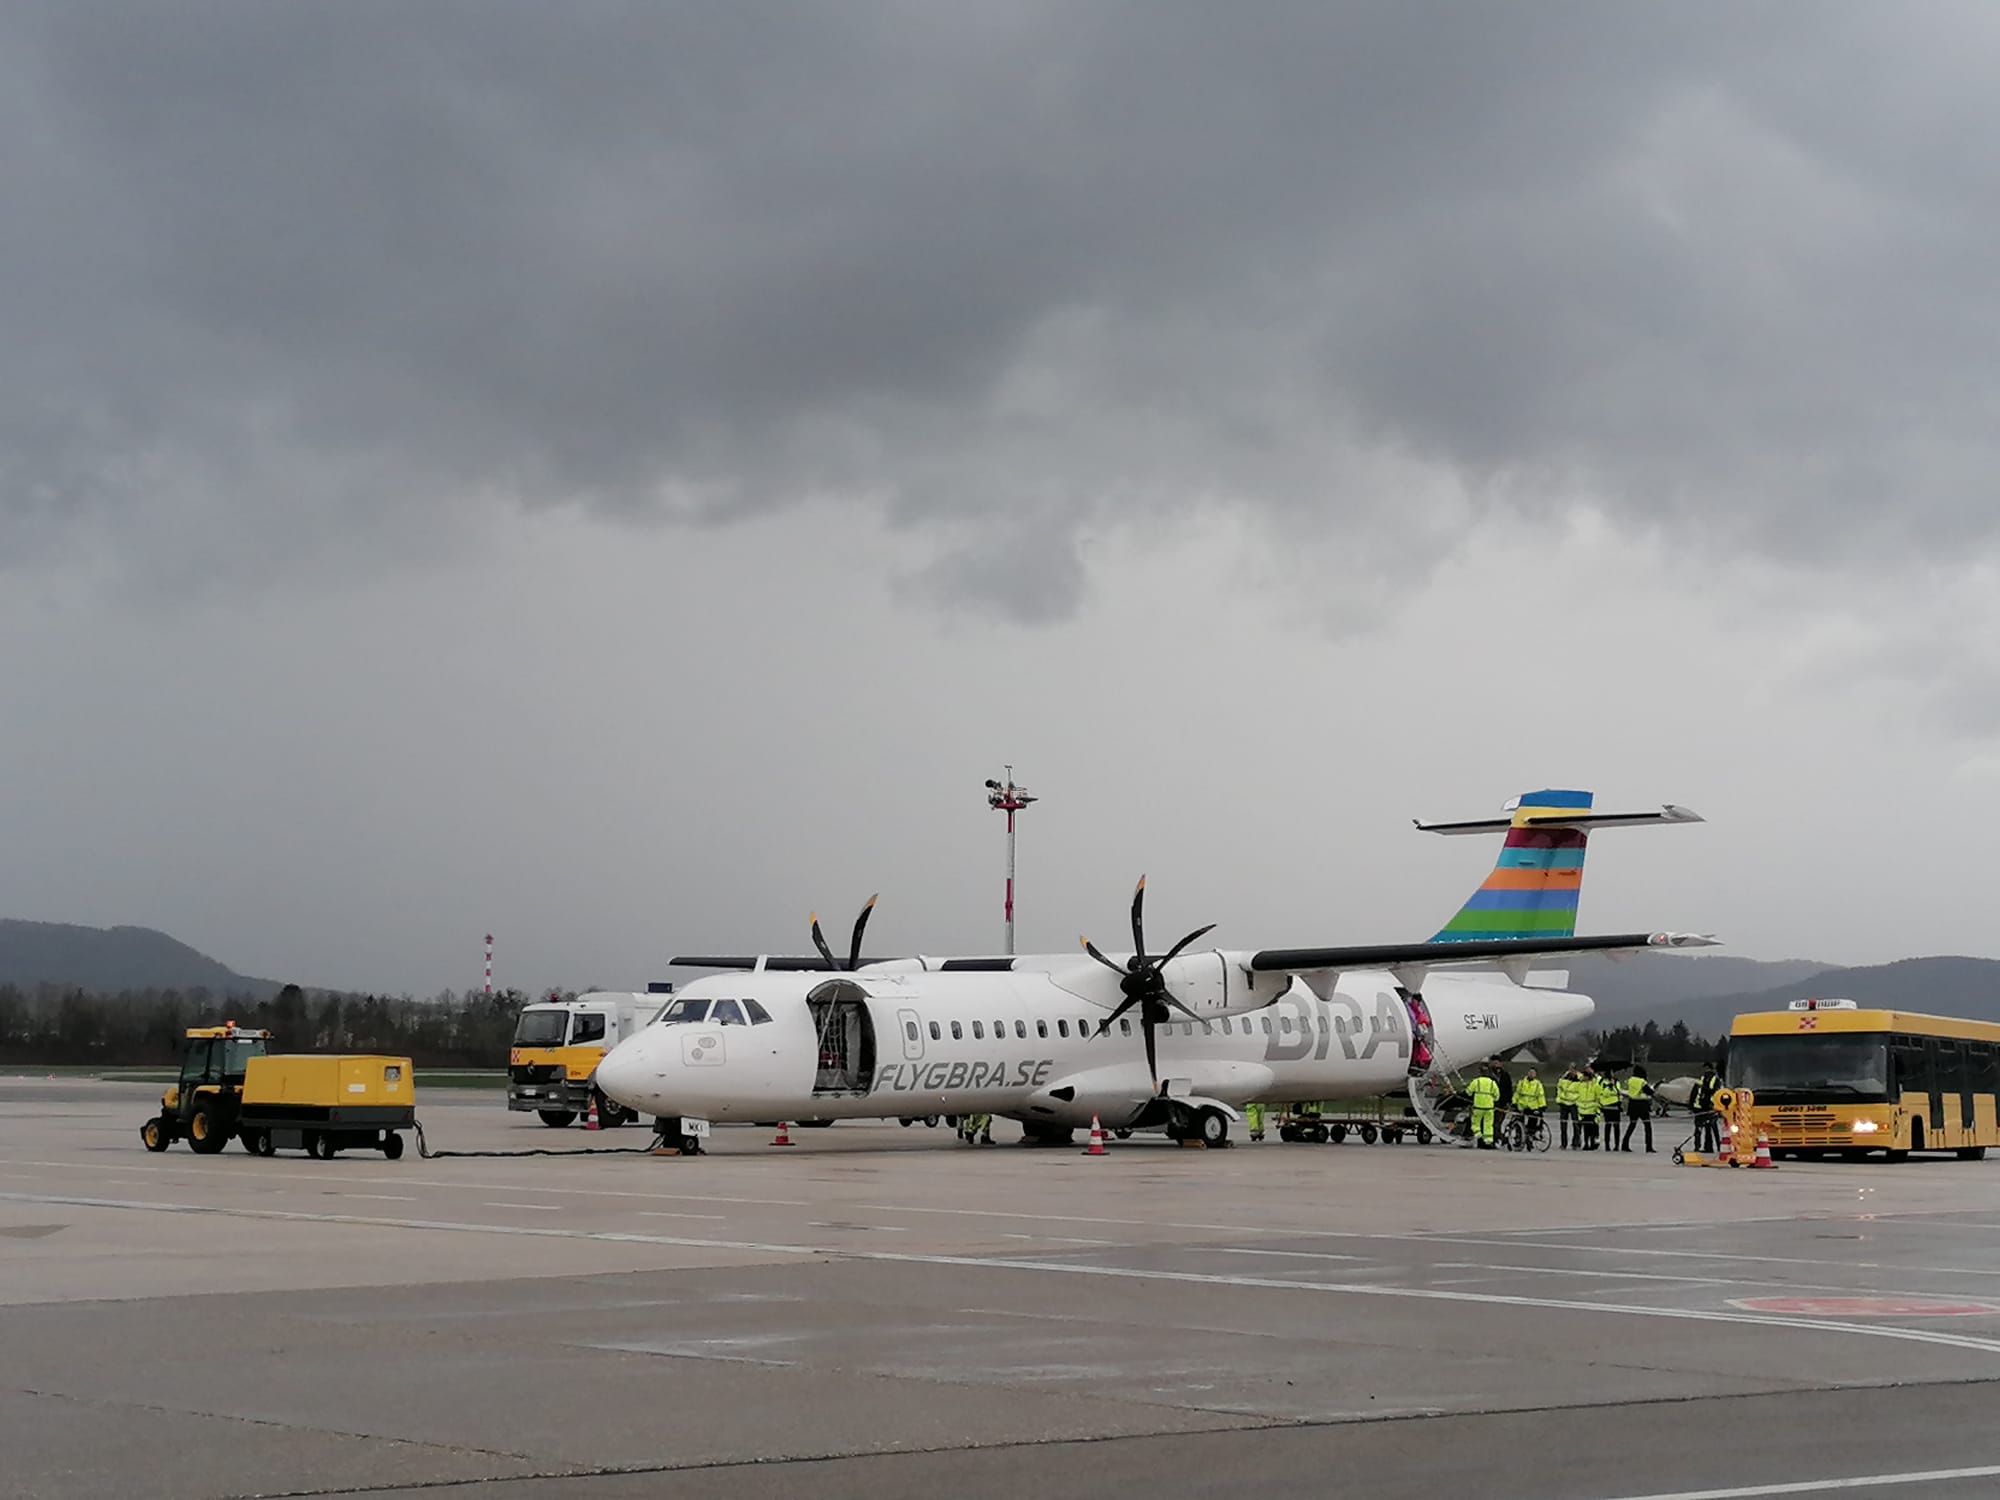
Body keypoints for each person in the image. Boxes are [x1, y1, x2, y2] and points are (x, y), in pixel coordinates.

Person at [1623, 1065, 1657, 1153]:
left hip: (1632, 1105)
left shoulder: (1630, 1080)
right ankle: (1648, 1146)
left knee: (1632, 1125)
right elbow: (1649, 1092)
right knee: (1647, 1126)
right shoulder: (1642, 1081)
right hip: (1642, 1105)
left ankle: (1624, 1144)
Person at [1465, 1069, 1501, 1149]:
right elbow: (1497, 1096)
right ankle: (1488, 1140)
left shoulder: (1476, 1081)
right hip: (1489, 1108)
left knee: (1475, 1122)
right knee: (1488, 1125)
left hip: (1478, 1107)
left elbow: (1468, 1092)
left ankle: (1478, 1134)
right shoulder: (1492, 1083)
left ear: (1481, 1074)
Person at [1692, 1062, 1722, 1155]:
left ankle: (1718, 1146)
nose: (1706, 1071)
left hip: (1710, 1106)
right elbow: (1695, 1092)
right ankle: (1701, 1146)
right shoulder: (1702, 1078)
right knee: (1701, 1128)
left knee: (1712, 1127)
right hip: (1701, 1106)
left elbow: (1714, 1091)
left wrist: (1704, 1088)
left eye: (1707, 1069)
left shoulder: (1715, 1079)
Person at [1513, 1067, 1547, 1148]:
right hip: (1522, 1105)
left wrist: (1542, 1106)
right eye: (1530, 1072)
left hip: (1532, 1106)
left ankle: (1530, 1136)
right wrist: (1514, 1103)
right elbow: (1517, 1094)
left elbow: (1540, 1096)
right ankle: (1518, 1138)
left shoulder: (1538, 1084)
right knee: (1518, 1120)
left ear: (1535, 1075)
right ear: (1528, 1073)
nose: (1531, 1074)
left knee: (1534, 1120)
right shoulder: (1521, 1083)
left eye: (1533, 1073)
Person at [1598, 1069, 1625, 1152]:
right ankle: (1607, 1145)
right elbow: (1603, 1092)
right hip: (1607, 1106)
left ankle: (1617, 1145)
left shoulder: (1616, 1082)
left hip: (1616, 1105)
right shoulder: (1602, 1082)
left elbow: (1619, 1092)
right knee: (1608, 1125)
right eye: (1612, 1073)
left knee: (1616, 1126)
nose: (1613, 1074)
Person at [1575, 1067, 1602, 1150]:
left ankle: (1592, 1143)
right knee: (1585, 1129)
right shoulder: (1581, 1085)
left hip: (1592, 1110)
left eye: (1585, 1076)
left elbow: (1598, 1097)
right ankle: (1586, 1143)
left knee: (1592, 1129)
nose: (1584, 1077)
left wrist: (1597, 1108)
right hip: (1583, 1110)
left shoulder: (1595, 1085)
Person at [1557, 1067, 1582, 1149]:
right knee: (1563, 1125)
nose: (1572, 1072)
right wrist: (1560, 1099)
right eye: (1570, 1070)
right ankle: (1563, 1143)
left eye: (1574, 1070)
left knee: (1576, 1125)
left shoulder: (1580, 1080)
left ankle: (1575, 1143)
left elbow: (1581, 1092)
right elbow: (1559, 1089)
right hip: (1564, 1104)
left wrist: (1575, 1099)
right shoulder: (1563, 1079)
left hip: (1574, 1104)